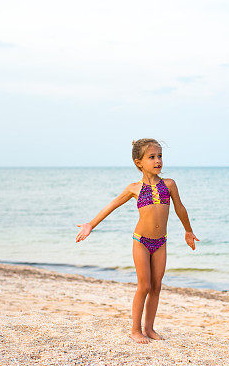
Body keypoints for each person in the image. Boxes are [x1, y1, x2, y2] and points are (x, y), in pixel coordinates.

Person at [76, 139, 199, 344]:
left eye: (160, 156)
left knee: (157, 286)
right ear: (138, 162)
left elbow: (180, 208)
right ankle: (135, 330)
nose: (158, 160)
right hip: (141, 241)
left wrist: (188, 230)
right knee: (144, 285)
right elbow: (111, 205)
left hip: (161, 242)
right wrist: (91, 224)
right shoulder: (134, 188)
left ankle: (149, 328)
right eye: (152, 157)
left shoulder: (169, 184)